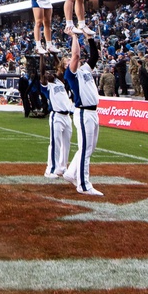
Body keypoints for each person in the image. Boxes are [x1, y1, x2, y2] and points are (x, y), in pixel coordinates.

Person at [63, 31, 103, 195]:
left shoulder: (85, 70)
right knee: (85, 149)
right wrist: (74, 36)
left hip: (93, 112)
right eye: (68, 60)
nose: (71, 60)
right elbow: (76, 55)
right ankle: (83, 185)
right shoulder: (71, 74)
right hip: (83, 113)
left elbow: (94, 56)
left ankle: (71, 173)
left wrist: (90, 37)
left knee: (89, 148)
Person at [40, 54, 73, 179]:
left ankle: (62, 167)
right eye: (47, 73)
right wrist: (42, 56)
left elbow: (60, 68)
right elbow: (42, 72)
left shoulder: (60, 81)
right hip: (57, 116)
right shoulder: (47, 86)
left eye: (51, 72)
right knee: (55, 143)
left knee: (66, 143)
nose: (49, 73)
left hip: (67, 116)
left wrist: (54, 54)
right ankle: (50, 169)